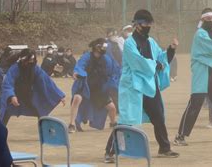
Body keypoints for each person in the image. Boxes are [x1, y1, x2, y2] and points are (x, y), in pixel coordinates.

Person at [106, 9, 179, 162]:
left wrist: (171, 49)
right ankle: (110, 152)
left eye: (149, 23)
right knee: (126, 119)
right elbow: (138, 63)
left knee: (158, 116)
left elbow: (161, 57)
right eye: (145, 23)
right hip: (134, 87)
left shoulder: (151, 42)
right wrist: (156, 64)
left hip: (150, 85)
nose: (148, 26)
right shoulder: (129, 44)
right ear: (137, 25)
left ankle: (164, 148)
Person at [174, 8, 212, 146]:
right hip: (202, 72)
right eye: (208, 18)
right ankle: (180, 136)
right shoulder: (200, 34)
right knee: (195, 104)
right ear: (202, 19)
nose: (211, 20)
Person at [0, 49, 66, 125]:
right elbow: (7, 84)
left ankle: (44, 133)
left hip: (28, 96)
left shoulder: (35, 68)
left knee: (41, 112)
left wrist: (59, 95)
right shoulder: (15, 68)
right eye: (29, 60)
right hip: (13, 96)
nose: (31, 62)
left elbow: (47, 81)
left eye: (33, 59)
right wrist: (11, 96)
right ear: (23, 60)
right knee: (4, 113)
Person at [68, 38, 119, 133]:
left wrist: (114, 81)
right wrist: (77, 72)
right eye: (102, 46)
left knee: (112, 108)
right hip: (85, 86)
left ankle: (113, 123)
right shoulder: (87, 57)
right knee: (77, 98)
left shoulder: (106, 59)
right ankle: (71, 124)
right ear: (96, 47)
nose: (104, 48)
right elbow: (80, 66)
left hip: (98, 88)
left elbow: (114, 70)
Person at [106, 28, 123, 113]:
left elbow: (121, 56)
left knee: (117, 91)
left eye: (116, 34)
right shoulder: (107, 45)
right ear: (108, 35)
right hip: (112, 72)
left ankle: (117, 108)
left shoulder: (116, 44)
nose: (115, 36)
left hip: (118, 71)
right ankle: (116, 108)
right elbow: (110, 57)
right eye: (113, 34)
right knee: (113, 91)